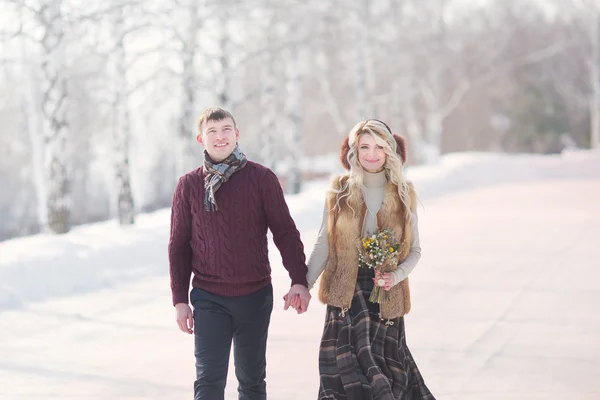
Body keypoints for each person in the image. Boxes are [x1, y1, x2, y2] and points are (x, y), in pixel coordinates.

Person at [168, 106, 311, 400]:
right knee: (208, 381)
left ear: (237, 134)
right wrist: (180, 300)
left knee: (252, 382)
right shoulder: (188, 186)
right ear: (200, 139)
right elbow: (178, 246)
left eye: (226, 130)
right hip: (209, 297)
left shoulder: (262, 179)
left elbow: (284, 231)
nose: (220, 137)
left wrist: (299, 279)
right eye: (212, 131)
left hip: (255, 296)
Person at [291, 119, 435, 399]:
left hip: (385, 295)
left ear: (390, 150)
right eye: (364, 146)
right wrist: (303, 285)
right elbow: (324, 243)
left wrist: (396, 275)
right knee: (346, 377)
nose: (371, 153)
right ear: (353, 151)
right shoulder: (339, 191)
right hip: (345, 293)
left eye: (379, 147)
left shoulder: (404, 193)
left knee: (384, 377)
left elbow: (415, 251)